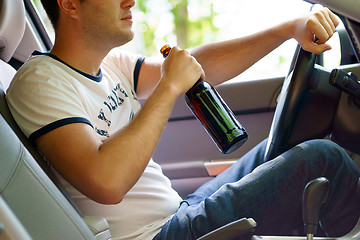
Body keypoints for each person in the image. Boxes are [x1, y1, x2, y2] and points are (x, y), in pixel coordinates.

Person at [5, 0, 360, 239]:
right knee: (320, 160)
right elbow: (107, 182)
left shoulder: (109, 64)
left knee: (292, 145)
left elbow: (198, 68)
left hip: (182, 209)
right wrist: (169, 86)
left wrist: (286, 30)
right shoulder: (40, 81)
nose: (130, 0)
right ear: (69, 4)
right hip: (159, 234)